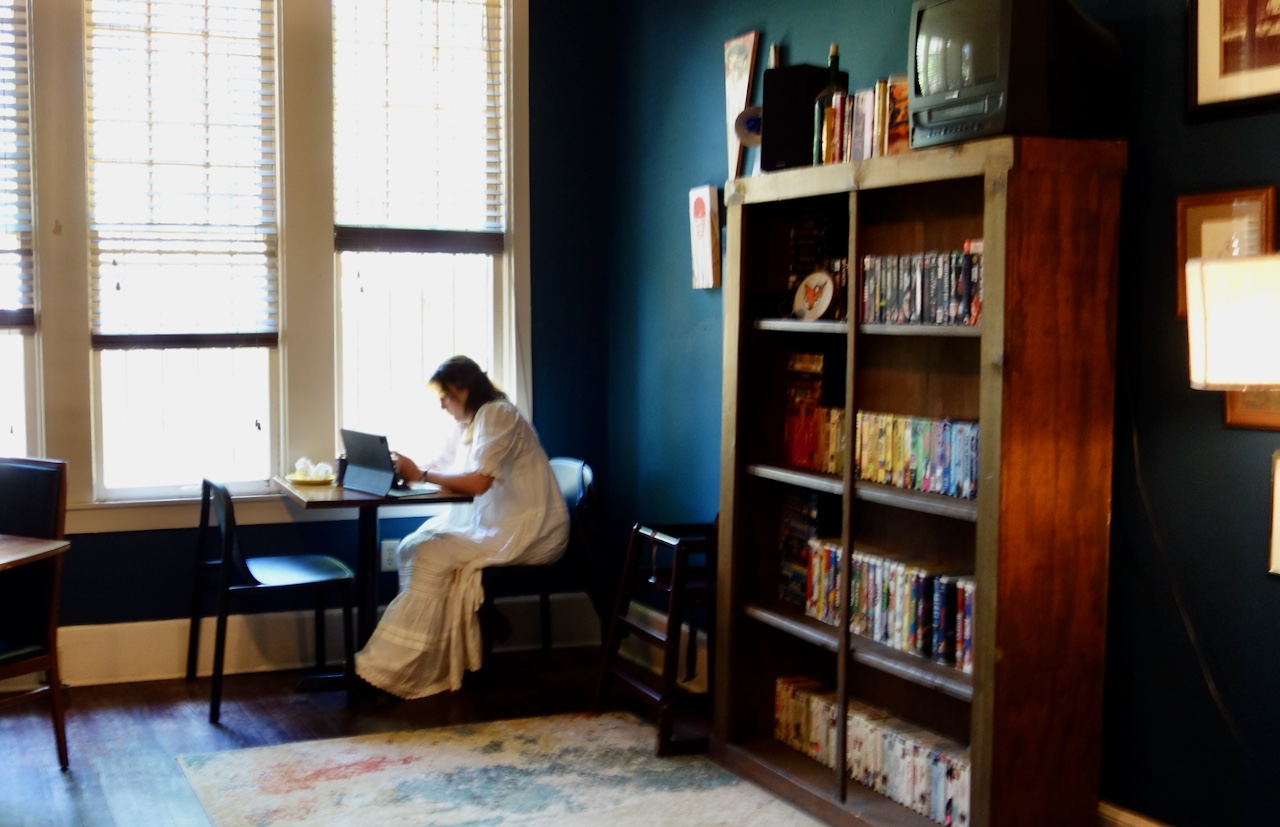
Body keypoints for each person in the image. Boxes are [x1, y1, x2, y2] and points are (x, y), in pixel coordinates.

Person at [354, 355, 570, 699]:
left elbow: (478, 482)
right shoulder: (470, 424)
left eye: (446, 396)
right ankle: (434, 651)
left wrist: (421, 475)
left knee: (428, 552)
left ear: (464, 390)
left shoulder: (498, 415)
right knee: (412, 545)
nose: (443, 405)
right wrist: (406, 469)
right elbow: (442, 466)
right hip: (495, 522)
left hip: (529, 529)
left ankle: (396, 667)